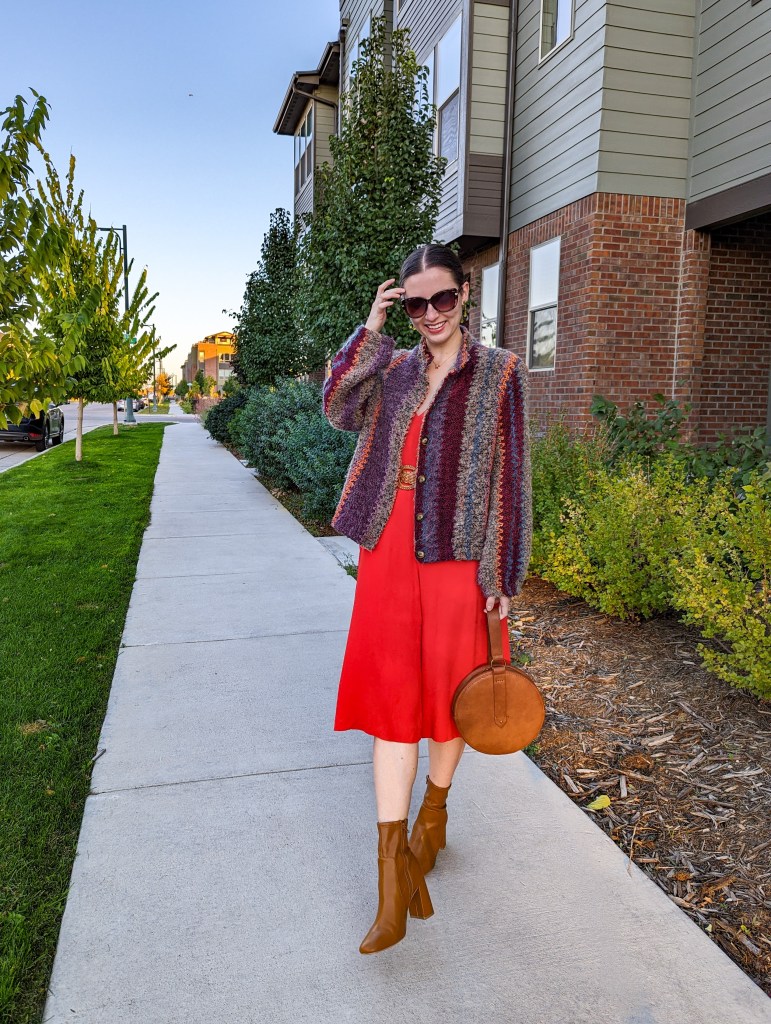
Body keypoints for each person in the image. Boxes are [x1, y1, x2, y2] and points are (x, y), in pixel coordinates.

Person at [322, 243, 532, 954]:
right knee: (392, 703)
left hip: (457, 556)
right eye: (415, 304)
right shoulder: (393, 367)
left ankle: (431, 823)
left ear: (464, 294)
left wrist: (503, 572)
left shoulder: (499, 371)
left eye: (442, 298)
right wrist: (370, 331)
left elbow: (511, 475)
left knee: (448, 698)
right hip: (388, 550)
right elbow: (336, 410)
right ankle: (392, 884)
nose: (431, 314)